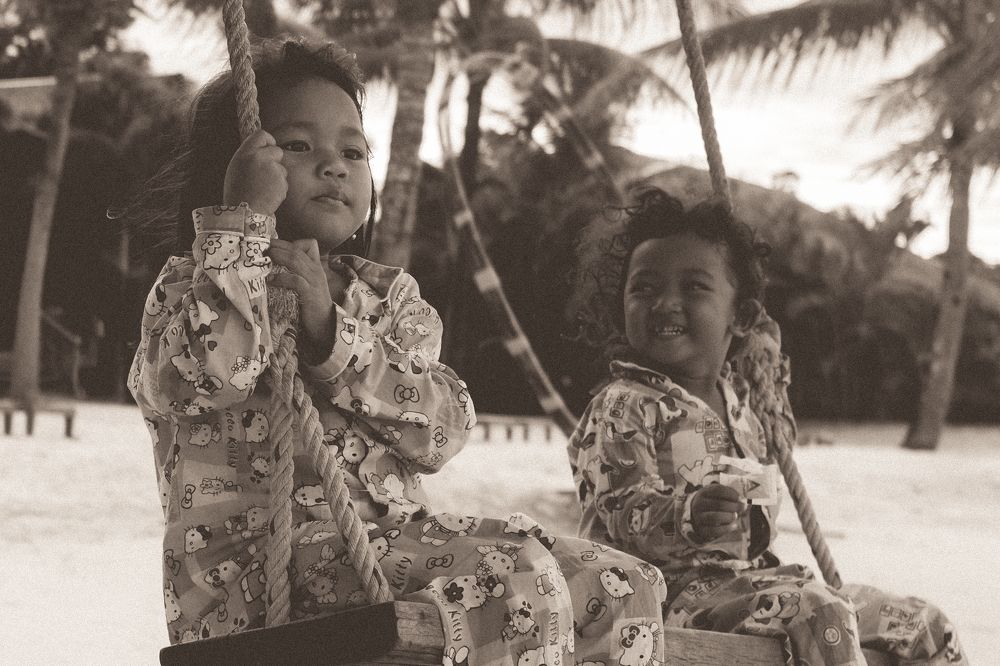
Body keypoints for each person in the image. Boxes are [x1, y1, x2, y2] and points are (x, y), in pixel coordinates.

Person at [128, 37, 666, 664]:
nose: (335, 165)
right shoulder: (190, 286)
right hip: (254, 586)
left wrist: (335, 337)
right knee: (520, 578)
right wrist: (239, 229)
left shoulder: (387, 300)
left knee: (624, 586)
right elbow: (213, 373)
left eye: (354, 151)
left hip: (383, 553)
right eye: (298, 146)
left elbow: (441, 431)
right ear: (238, 166)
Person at [566, 187, 966, 665]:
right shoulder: (622, 405)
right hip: (660, 598)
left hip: (754, 585)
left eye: (693, 286)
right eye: (644, 289)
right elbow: (618, 511)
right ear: (622, 309)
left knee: (923, 623)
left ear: (742, 317)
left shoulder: (744, 407)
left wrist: (770, 375)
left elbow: (768, 489)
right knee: (820, 611)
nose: (665, 303)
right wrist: (687, 514)